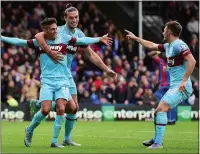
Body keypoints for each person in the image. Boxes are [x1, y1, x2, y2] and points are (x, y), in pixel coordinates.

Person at [1, 17, 113, 148]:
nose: (56, 31)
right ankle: (30, 129)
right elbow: (20, 42)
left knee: (62, 108)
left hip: (63, 80)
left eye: (56, 29)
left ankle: (55, 141)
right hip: (47, 81)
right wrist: (2, 38)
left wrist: (98, 39)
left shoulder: (64, 38)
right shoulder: (39, 42)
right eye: (53, 29)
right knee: (45, 110)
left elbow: (82, 40)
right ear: (46, 31)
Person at [32, 3, 117, 146]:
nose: (74, 20)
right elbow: (39, 35)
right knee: (68, 106)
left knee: (73, 108)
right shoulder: (57, 31)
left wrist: (106, 69)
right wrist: (49, 51)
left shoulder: (78, 34)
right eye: (71, 18)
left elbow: (90, 54)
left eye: (76, 17)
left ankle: (66, 138)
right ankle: (42, 106)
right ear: (65, 18)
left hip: (67, 75)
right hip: (54, 74)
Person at [125, 20, 196, 149]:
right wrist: (136, 38)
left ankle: (158, 143)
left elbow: (192, 61)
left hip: (182, 86)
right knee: (158, 111)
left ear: (169, 32)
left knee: (161, 109)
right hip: (174, 86)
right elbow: (151, 45)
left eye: (164, 29)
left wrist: (184, 80)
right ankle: (156, 139)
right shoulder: (169, 46)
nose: (162, 32)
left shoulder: (179, 45)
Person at [148, 51, 177, 125]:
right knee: (161, 100)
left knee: (170, 102)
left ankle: (171, 120)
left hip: (170, 85)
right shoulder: (160, 61)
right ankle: (167, 119)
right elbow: (149, 54)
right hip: (162, 86)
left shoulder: (172, 62)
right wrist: (157, 51)